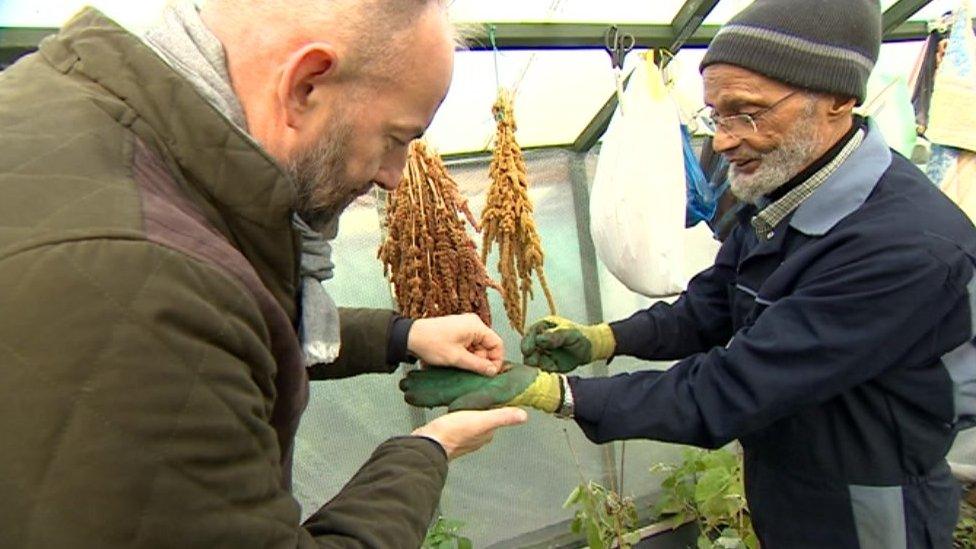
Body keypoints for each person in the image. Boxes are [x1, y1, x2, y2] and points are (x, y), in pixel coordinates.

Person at [401, 1, 976, 547]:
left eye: (747, 112)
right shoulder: (787, 192)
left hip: (869, 502)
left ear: (837, 99)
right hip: (788, 469)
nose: (723, 139)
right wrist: (606, 338)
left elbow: (733, 388)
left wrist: (558, 394)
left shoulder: (904, 248)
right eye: (716, 114)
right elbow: (711, 308)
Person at [0, 0, 527, 547]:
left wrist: (402, 336)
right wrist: (427, 450)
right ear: (304, 86)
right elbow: (170, 317)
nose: (395, 177)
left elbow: (218, 330)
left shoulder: (75, 119)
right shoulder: (138, 279)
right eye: (395, 139)